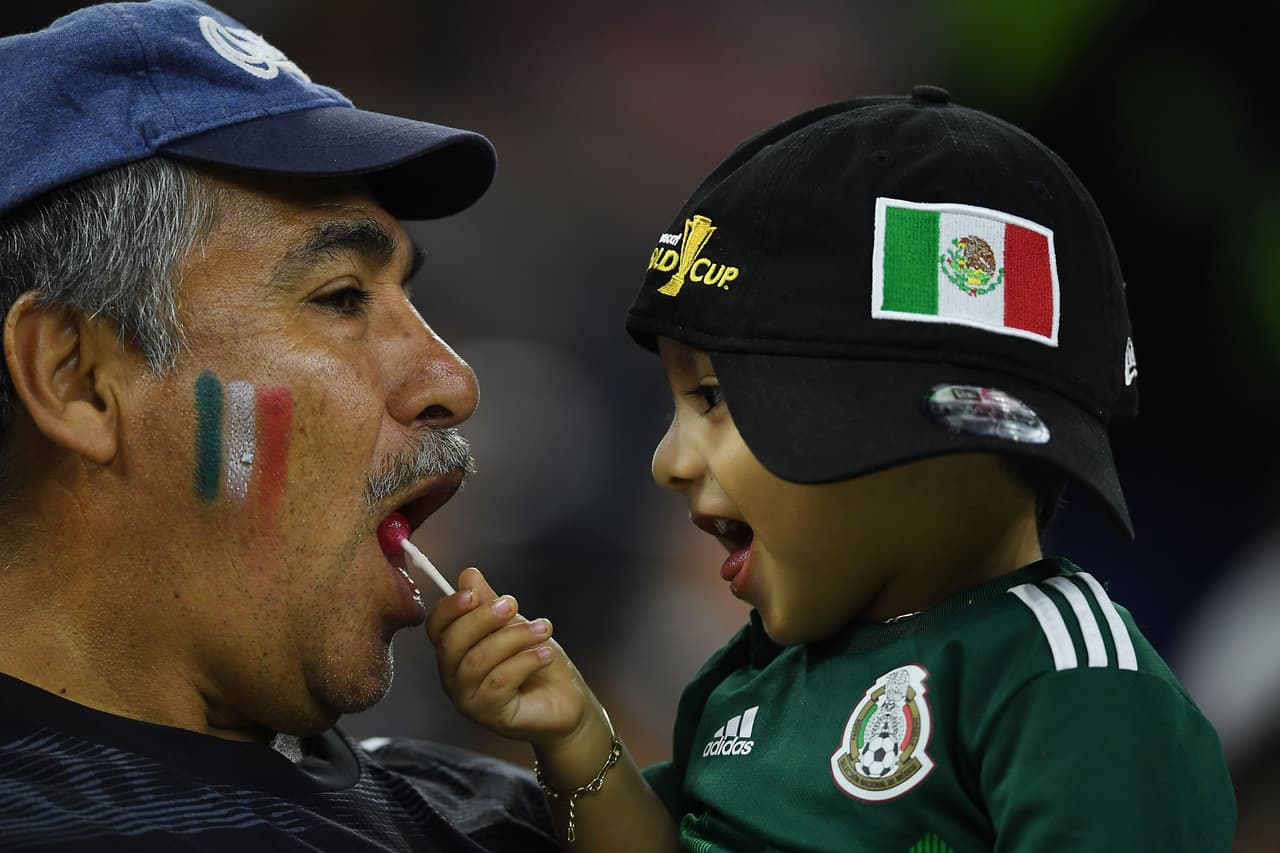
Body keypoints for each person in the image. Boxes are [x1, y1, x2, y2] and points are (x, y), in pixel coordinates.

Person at [429, 86, 1237, 850]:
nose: (668, 461)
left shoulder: (1073, 687)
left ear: (930, 437)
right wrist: (575, 737)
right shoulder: (750, 674)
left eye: (714, 397)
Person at [0, 2, 559, 850]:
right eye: (341, 297)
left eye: (409, 296)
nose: (452, 381)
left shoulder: (529, 814)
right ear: (76, 378)